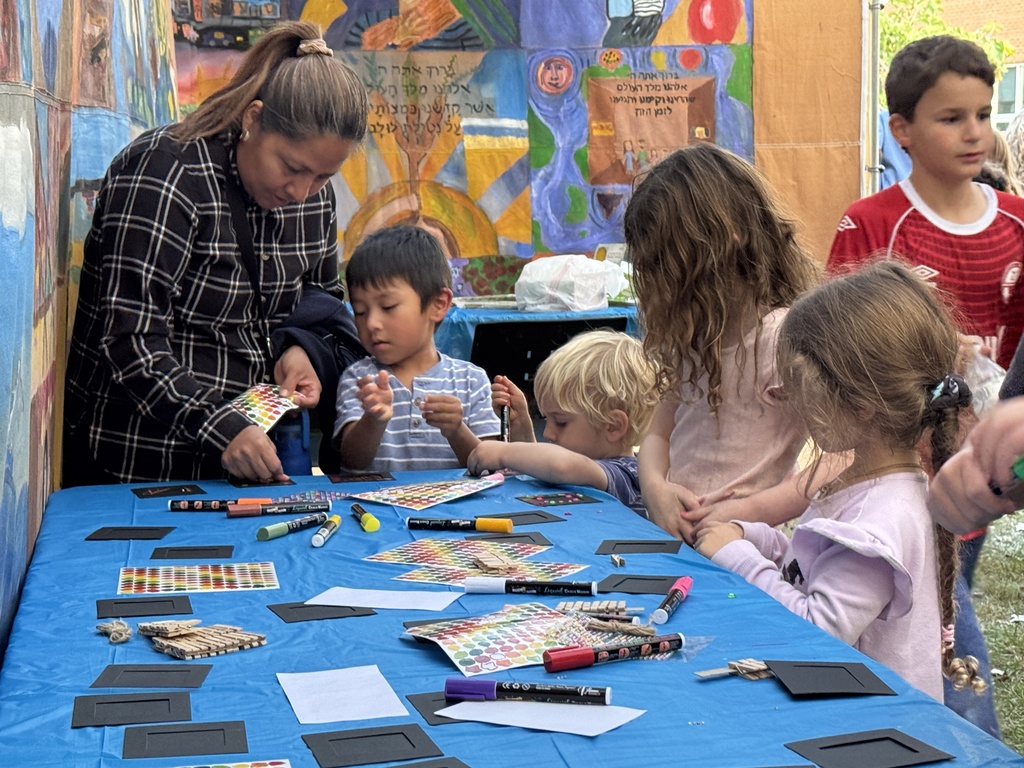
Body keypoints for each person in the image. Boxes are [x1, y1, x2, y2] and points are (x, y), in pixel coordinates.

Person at [63, 22, 369, 486]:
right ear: (252, 119)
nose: (303, 191)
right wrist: (219, 425)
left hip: (255, 465)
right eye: (292, 167)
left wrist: (300, 350)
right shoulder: (165, 173)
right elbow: (131, 340)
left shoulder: (313, 200)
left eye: (324, 177)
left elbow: (322, 302)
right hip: (142, 465)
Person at [694, 261, 985, 703]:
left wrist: (737, 558)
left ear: (861, 404)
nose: (790, 399)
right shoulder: (867, 483)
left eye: (799, 384)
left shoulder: (877, 521)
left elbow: (821, 633)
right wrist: (751, 536)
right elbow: (809, 563)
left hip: (869, 733)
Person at [622, 142, 820, 541]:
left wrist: (749, 512)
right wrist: (656, 490)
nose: (657, 285)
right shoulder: (696, 340)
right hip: (680, 539)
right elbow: (658, 435)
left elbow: (843, 458)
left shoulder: (782, 337)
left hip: (746, 551)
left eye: (665, 265)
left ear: (724, 243)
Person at [828, 35, 1024, 371]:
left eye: (983, 115)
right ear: (902, 130)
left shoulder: (1018, 218)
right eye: (952, 119)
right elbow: (834, 339)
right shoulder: (869, 223)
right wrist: (932, 350)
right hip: (906, 420)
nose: (974, 133)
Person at [334, 225, 500, 471]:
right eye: (360, 311)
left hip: (454, 509)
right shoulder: (361, 379)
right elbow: (351, 462)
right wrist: (373, 419)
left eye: (388, 306)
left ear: (438, 304)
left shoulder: (471, 381)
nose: (371, 323)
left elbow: (489, 467)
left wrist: (456, 431)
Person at [466, 330, 659, 517]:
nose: (548, 433)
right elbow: (547, 468)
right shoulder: (587, 466)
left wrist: (503, 453)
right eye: (546, 419)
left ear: (613, 426)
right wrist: (521, 428)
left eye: (560, 422)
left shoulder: (626, 473)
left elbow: (561, 465)